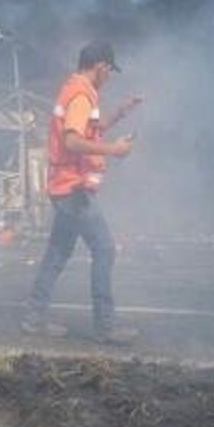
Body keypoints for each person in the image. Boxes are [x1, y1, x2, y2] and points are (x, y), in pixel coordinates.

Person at [21, 41, 141, 344]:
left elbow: (90, 129)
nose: (110, 77)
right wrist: (114, 149)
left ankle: (33, 318)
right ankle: (105, 326)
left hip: (64, 188)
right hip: (73, 190)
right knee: (104, 249)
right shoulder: (81, 95)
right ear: (101, 66)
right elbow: (74, 141)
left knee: (58, 253)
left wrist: (119, 114)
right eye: (110, 71)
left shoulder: (76, 90)